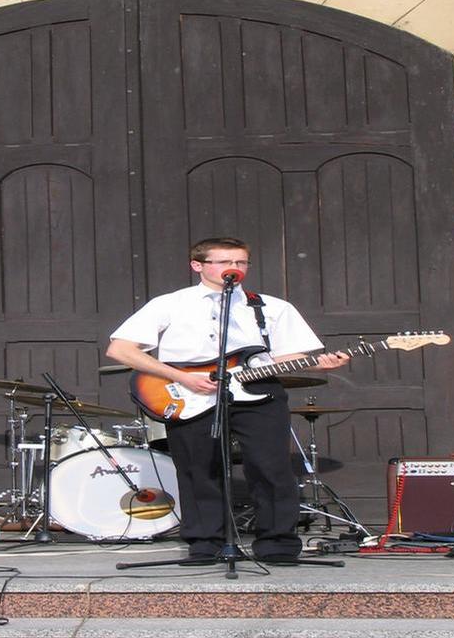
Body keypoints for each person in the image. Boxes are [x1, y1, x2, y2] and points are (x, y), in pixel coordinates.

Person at [106, 237, 349, 562]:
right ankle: (206, 543)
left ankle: (277, 545)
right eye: (224, 262)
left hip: (258, 391)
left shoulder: (270, 307)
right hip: (192, 393)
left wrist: (319, 363)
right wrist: (180, 377)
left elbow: (284, 356)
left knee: (271, 466)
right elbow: (120, 349)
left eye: (240, 262)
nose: (234, 268)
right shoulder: (170, 304)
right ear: (198, 265)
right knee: (198, 470)